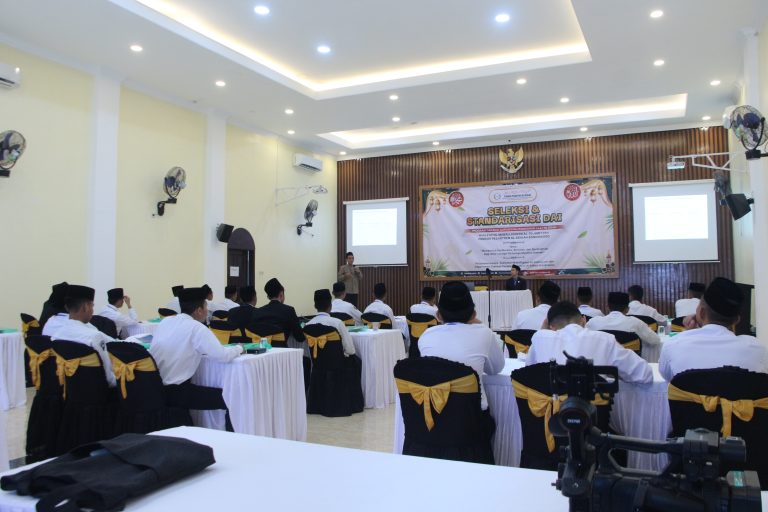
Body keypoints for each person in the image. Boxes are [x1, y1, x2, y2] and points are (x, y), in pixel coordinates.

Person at [150, 287, 243, 430]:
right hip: (178, 392)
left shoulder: (165, 322)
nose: (207, 311)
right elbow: (222, 356)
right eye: (206, 307)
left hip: (156, 389)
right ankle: (229, 438)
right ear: (199, 310)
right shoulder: (196, 328)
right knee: (230, 397)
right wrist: (239, 348)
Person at [659, 277, 768, 381]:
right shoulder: (757, 349)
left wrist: (688, 335)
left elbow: (670, 378)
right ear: (736, 320)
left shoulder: (673, 345)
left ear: (701, 313)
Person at [418, 281, 505, 411]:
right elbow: (495, 369)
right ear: (473, 314)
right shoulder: (484, 333)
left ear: (438, 315)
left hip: (434, 415)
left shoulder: (426, 336)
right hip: (473, 417)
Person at [527, 301, 652, 384]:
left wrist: (542, 332)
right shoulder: (604, 339)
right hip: (594, 413)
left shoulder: (539, 338)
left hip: (551, 413)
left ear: (550, 326)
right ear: (583, 320)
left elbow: (530, 372)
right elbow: (644, 374)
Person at [50, 285, 116, 387]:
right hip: (98, 392)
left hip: (68, 390)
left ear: (67, 307)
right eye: (92, 306)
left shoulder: (56, 336)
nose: (92, 310)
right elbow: (108, 378)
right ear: (86, 307)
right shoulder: (94, 337)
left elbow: (109, 340)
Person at [586, 292, 660, 349]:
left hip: (601, 363)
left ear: (607, 307)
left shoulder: (593, 322)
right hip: (630, 363)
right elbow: (655, 340)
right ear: (627, 309)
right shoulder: (636, 323)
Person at [306, 289, 357, 357]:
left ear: (315, 306)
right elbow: (350, 350)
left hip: (316, 363)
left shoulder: (307, 325)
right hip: (338, 363)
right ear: (331, 306)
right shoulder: (337, 323)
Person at [254, 278, 305, 342]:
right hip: (281, 347)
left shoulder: (258, 312)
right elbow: (300, 337)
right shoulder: (289, 310)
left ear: (268, 297)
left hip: (263, 347)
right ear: (281, 294)